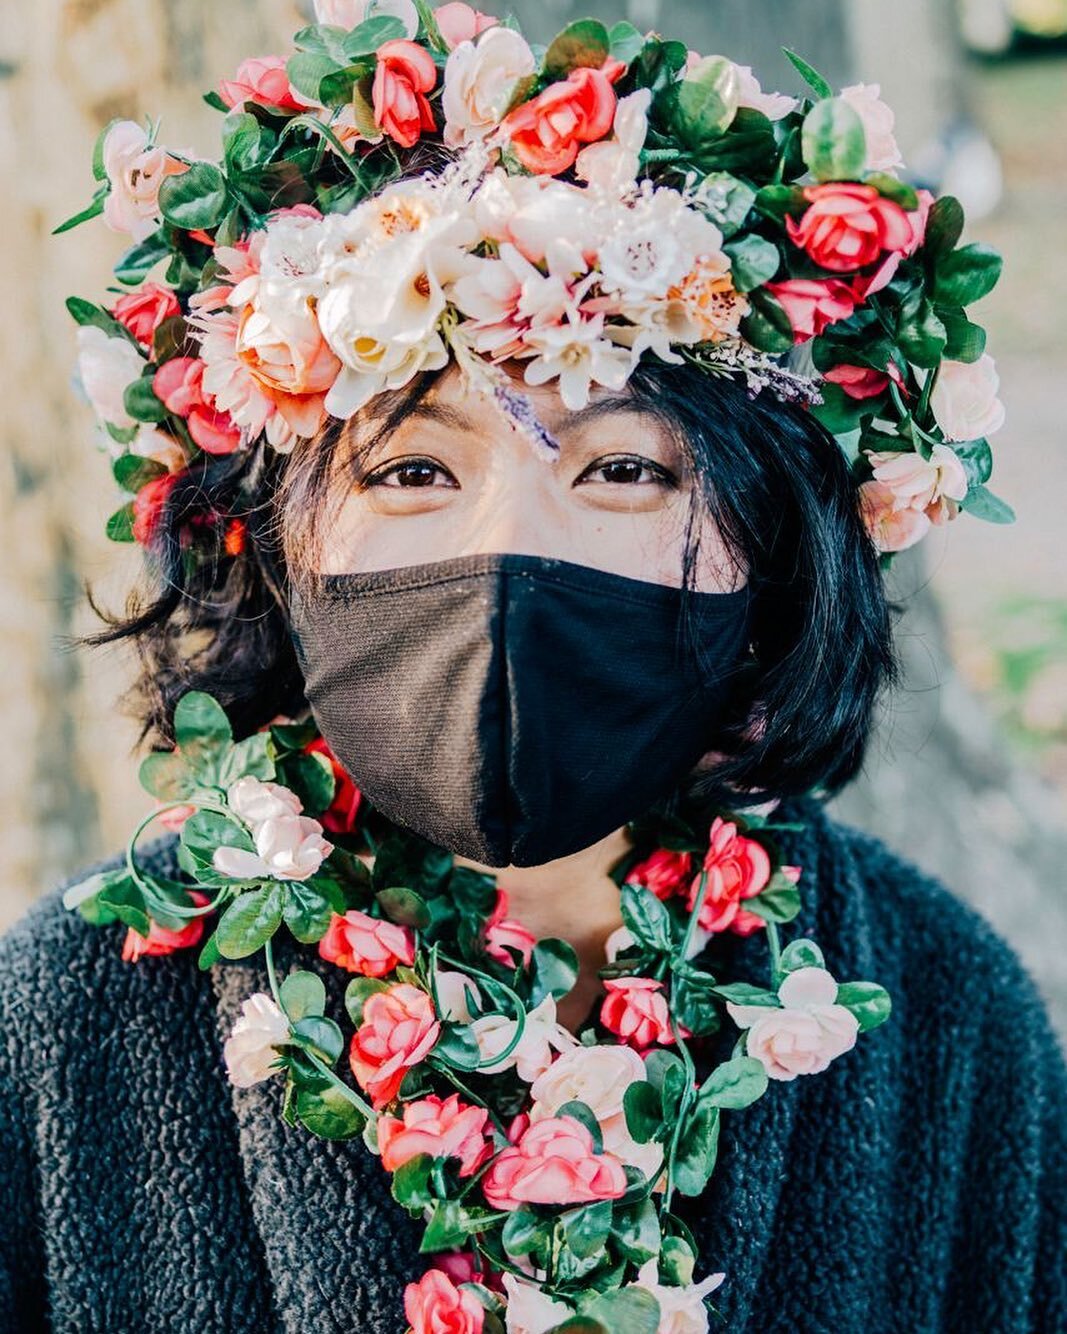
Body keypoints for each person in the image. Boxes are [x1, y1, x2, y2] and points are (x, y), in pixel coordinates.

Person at [1, 4, 1063, 1332]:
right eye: (411, 467)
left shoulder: (949, 1015)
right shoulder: (66, 1012)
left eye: (624, 468)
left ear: (778, 548)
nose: (510, 554)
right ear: (265, 543)